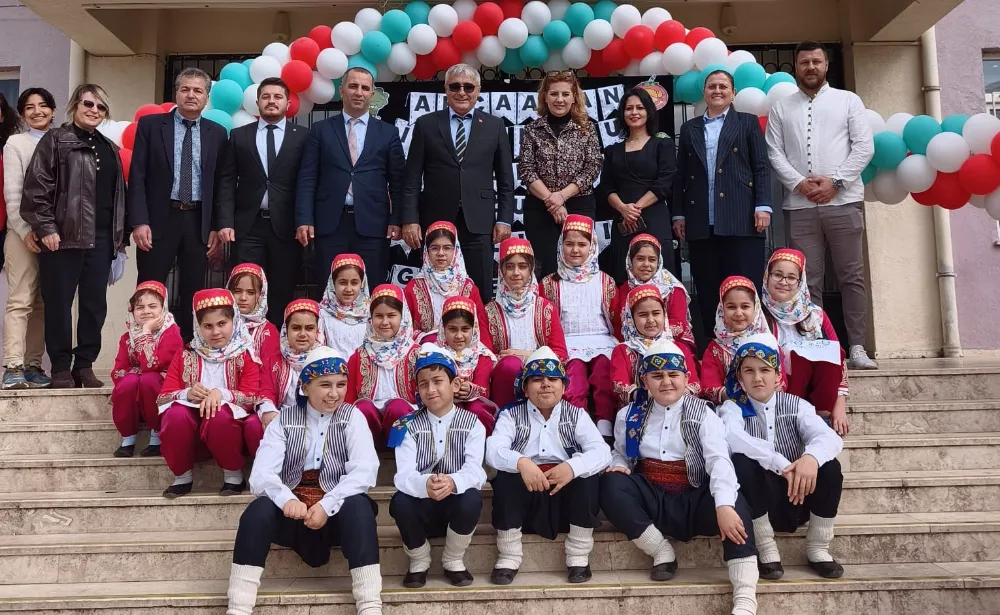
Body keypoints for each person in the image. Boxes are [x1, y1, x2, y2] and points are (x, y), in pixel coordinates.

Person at [600, 339, 759, 615]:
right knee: (610, 483)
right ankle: (661, 551)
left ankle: (745, 596)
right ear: (644, 381)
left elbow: (719, 460)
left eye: (673, 375)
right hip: (652, 500)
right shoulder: (629, 415)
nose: (666, 382)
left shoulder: (704, 413)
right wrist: (620, 466)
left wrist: (723, 506)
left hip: (693, 497)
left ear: (686, 379)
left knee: (735, 503)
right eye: (657, 376)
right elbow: (621, 454)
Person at [226, 347, 382, 615]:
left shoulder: (352, 417)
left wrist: (327, 505)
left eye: (341, 385)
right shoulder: (284, 421)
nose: (334, 393)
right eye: (325, 385)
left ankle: (369, 604)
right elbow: (262, 474)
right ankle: (239, 607)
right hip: (294, 515)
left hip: (336, 513)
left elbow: (364, 471)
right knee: (256, 512)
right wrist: (287, 499)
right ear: (305, 386)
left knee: (359, 507)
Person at [766, 41, 877, 370]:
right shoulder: (781, 107)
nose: (811, 67)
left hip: (843, 201)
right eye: (804, 62)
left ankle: (857, 347)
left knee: (851, 276)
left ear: (826, 65)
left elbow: (864, 147)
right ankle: (816, 346)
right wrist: (800, 183)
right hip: (799, 206)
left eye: (816, 61)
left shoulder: (848, 100)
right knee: (805, 279)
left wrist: (836, 182)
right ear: (796, 67)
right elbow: (774, 152)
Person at [21, 83, 126, 389]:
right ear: (75, 105)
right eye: (88, 104)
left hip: (101, 239)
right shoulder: (56, 140)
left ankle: (84, 365)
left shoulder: (110, 149)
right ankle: (60, 368)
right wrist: (46, 228)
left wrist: (119, 240)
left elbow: (118, 196)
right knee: (58, 304)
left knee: (94, 306)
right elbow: (36, 188)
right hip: (62, 238)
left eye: (101, 107)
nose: (94, 110)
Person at [720, 333, 844, 580]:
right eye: (749, 371)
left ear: (778, 376)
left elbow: (829, 437)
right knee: (741, 463)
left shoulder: (797, 405)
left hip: (800, 494)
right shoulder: (732, 408)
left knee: (830, 467)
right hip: (761, 502)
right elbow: (734, 438)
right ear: (740, 378)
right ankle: (766, 547)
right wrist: (781, 464)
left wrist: (810, 458)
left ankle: (818, 548)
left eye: (765, 370)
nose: (757, 378)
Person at [485, 346, 611, 585]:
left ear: (563, 387)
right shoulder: (511, 415)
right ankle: (509, 556)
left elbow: (602, 451)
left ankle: (578, 556)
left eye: (553, 379)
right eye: (537, 379)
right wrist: (522, 462)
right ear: (525, 388)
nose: (545, 385)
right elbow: (493, 450)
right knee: (506, 474)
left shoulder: (577, 415)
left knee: (587, 473)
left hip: (564, 499)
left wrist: (572, 468)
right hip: (527, 499)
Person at [128, 68, 230, 341]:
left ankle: (187, 349)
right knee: (149, 290)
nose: (191, 95)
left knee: (192, 291)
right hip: (158, 220)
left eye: (198, 90)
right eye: (185, 89)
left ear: (206, 97)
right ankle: (145, 346)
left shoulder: (217, 133)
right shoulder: (151, 126)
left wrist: (216, 226)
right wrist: (139, 220)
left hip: (198, 222)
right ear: (176, 93)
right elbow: (137, 175)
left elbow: (222, 183)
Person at [402, 63, 515, 301]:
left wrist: (504, 219)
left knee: (480, 288)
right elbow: (411, 179)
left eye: (468, 87)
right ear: (446, 89)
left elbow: (506, 179)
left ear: (478, 91)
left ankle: (479, 325)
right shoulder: (426, 124)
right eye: (455, 86)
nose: (461, 92)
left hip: (479, 221)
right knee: (436, 287)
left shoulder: (494, 126)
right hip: (436, 218)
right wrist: (410, 219)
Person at [673, 69, 772, 340]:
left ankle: (750, 344)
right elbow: (681, 175)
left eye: (723, 86)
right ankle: (713, 349)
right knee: (708, 288)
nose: (717, 91)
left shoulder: (747, 122)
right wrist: (679, 214)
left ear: (733, 93)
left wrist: (763, 205)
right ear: (704, 92)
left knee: (744, 287)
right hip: (701, 220)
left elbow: (761, 167)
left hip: (741, 218)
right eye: (712, 86)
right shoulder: (690, 128)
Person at [296, 67, 405, 291]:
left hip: (373, 225)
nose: (359, 92)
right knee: (329, 289)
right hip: (329, 224)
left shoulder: (388, 132)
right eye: (353, 86)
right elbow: (307, 178)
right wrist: (304, 218)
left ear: (372, 93)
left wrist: (396, 219)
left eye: (365, 88)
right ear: (342, 90)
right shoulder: (320, 130)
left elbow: (398, 182)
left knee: (372, 288)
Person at [387, 343, 487, 588]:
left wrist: (452, 482)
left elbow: (475, 471)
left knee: (472, 498)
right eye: (423, 384)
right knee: (400, 502)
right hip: (421, 506)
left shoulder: (473, 423)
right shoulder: (406, 426)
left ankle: (453, 559)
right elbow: (403, 476)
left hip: (455, 506)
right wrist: (426, 484)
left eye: (438, 381)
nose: (430, 390)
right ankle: (419, 560)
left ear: (455, 385)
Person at [217, 77, 309, 324]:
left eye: (278, 97)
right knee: (246, 289)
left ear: (288, 103)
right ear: (257, 102)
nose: (271, 101)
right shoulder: (239, 135)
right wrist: (225, 222)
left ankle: (276, 341)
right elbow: (226, 181)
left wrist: (305, 220)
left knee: (282, 290)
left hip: (287, 227)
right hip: (248, 226)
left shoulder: (303, 137)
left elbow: (308, 181)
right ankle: (246, 340)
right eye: (266, 96)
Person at [156, 288, 261, 498]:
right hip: (193, 436)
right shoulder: (186, 353)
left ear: (234, 321)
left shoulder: (244, 353)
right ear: (198, 326)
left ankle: (233, 475)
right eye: (208, 326)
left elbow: (252, 396)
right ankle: (182, 476)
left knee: (218, 413)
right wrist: (186, 393)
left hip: (227, 433)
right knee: (175, 414)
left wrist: (222, 394)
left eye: (222, 324)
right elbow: (163, 397)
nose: (215, 332)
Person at [518, 70, 602, 278]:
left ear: (574, 97)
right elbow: (526, 169)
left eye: (565, 94)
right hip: (540, 209)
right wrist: (552, 201)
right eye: (554, 94)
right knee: (547, 268)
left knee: (578, 266)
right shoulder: (532, 129)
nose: (560, 99)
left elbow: (592, 167)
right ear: (545, 97)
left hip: (579, 205)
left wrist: (562, 196)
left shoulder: (587, 128)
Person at [540, 215, 617, 437]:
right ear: (560, 245)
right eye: (569, 244)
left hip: (602, 341)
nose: (575, 250)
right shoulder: (549, 283)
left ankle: (605, 425)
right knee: (573, 377)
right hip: (567, 343)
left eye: (582, 245)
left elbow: (617, 320)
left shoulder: (605, 281)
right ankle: (579, 426)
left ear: (592, 247)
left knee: (603, 372)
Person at [762, 248, 850, 436]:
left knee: (831, 351)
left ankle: (822, 419)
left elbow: (838, 358)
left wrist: (839, 404)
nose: (784, 282)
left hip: (816, 399)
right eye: (777, 275)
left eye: (791, 277)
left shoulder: (816, 315)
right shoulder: (756, 314)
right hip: (775, 394)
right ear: (767, 276)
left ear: (800, 282)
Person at [3, 87, 56, 389]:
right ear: (22, 114)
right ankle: (13, 365)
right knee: (20, 300)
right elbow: (12, 194)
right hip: (21, 233)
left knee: (42, 303)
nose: (37, 112)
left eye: (43, 105)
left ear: (53, 110)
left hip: (53, 235)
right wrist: (25, 232)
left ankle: (34, 365)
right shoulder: (16, 143)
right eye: (30, 107)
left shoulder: (62, 139)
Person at [599, 87, 677, 285]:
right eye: (629, 108)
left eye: (640, 108)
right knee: (623, 278)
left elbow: (665, 182)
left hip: (654, 218)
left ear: (649, 112)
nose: (634, 112)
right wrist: (623, 209)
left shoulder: (663, 145)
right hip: (623, 222)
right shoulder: (612, 150)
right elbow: (606, 187)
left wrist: (635, 208)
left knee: (658, 280)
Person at [484, 238, 568, 409]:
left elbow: (560, 354)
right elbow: (485, 355)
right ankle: (506, 416)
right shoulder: (489, 311)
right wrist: (511, 362)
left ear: (531, 269)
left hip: (540, 375)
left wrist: (525, 355)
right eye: (510, 267)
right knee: (510, 365)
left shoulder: (546, 308)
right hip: (505, 379)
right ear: (501, 271)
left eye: (522, 266)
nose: (516, 273)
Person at [110, 281, 183, 458]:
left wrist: (147, 332)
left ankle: (157, 435)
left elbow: (152, 365)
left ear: (163, 308)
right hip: (138, 389)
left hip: (160, 387)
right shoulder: (127, 337)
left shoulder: (171, 333)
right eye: (139, 307)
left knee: (149, 379)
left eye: (153, 306)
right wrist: (134, 376)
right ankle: (128, 437)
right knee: (128, 381)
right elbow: (119, 369)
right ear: (132, 311)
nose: (146, 311)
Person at [254, 299, 327, 454]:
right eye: (296, 328)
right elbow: (265, 391)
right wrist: (269, 411)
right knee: (253, 425)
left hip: (316, 418)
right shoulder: (273, 360)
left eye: (309, 328)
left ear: (318, 330)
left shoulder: (327, 360)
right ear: (286, 330)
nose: (302, 334)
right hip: (281, 417)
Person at [347, 284, 419, 440]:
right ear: (370, 317)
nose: (385, 322)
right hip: (370, 429)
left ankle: (396, 446)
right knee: (362, 408)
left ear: (403, 316)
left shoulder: (416, 354)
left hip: (406, 427)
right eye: (379, 316)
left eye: (391, 315)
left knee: (397, 407)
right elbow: (348, 399)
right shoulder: (359, 355)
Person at [610, 284, 700, 409]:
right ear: (631, 318)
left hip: (678, 408)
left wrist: (673, 396)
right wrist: (649, 396)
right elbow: (619, 386)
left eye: (656, 313)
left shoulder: (679, 348)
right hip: (638, 411)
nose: (651, 320)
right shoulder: (622, 350)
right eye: (643, 314)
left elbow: (694, 384)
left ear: (664, 315)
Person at [404, 220, 491, 346]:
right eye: (435, 248)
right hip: (426, 351)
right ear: (426, 251)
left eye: (447, 248)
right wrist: (429, 338)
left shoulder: (467, 287)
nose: (441, 253)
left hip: (464, 350)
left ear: (455, 251)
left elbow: (481, 329)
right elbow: (404, 327)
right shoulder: (413, 287)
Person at [611, 233, 694, 355]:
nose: (646, 264)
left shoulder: (673, 288)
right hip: (633, 342)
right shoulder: (625, 288)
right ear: (630, 260)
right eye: (640, 259)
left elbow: (678, 324)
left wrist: (649, 342)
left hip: (670, 341)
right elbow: (620, 322)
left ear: (659, 262)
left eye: (652, 259)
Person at [701, 276, 772, 405]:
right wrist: (735, 398)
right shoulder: (715, 349)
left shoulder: (767, 343)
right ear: (722, 309)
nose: (739, 313)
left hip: (767, 404)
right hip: (731, 406)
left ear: (755, 308)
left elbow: (780, 379)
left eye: (745, 306)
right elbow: (709, 385)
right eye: (731, 307)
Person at [436, 296, 498, 434]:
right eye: (452, 329)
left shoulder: (483, 355)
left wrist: (470, 389)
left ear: (474, 329)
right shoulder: (435, 353)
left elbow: (484, 391)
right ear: (443, 328)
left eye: (465, 329)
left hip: (474, 406)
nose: (459, 336)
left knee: (476, 409)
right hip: (442, 403)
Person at [318, 253, 370, 359]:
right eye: (343, 282)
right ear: (333, 283)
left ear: (362, 284)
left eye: (354, 283)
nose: (348, 289)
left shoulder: (371, 313)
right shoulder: (322, 313)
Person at [227, 263, 280, 363]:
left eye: (251, 293)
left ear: (261, 295)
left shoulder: (268, 331)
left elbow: (269, 368)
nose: (243, 298)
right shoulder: (219, 325)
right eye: (237, 291)